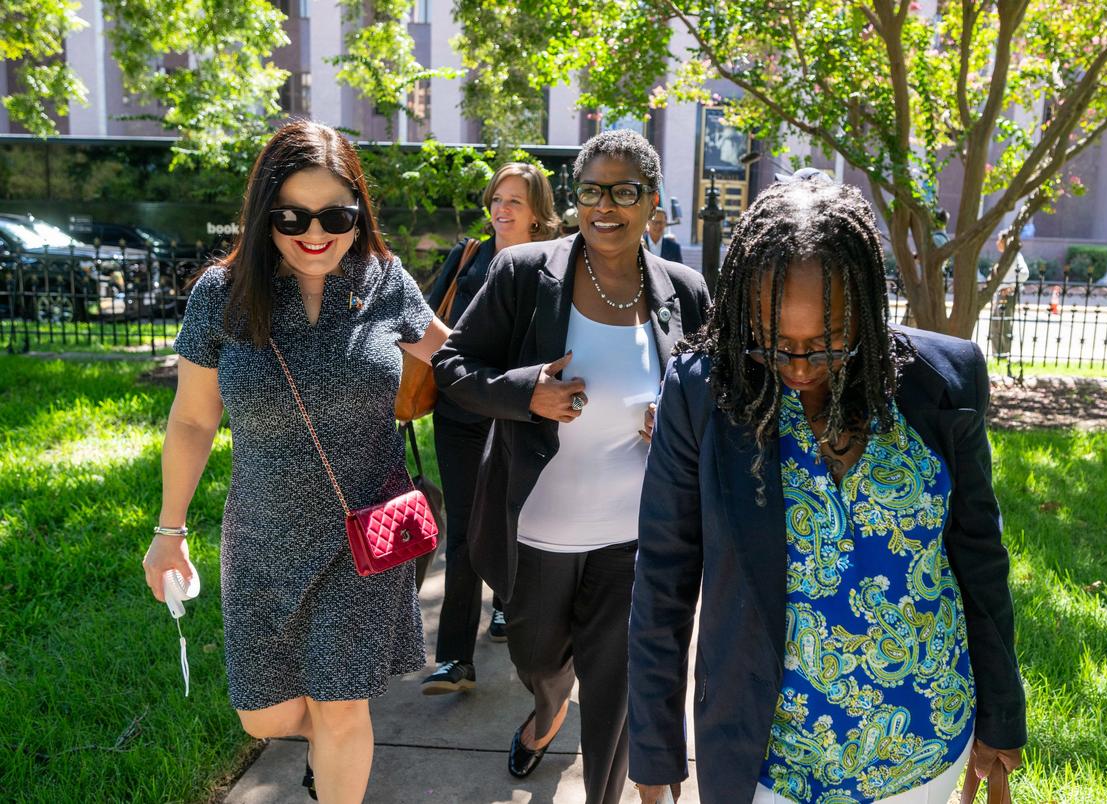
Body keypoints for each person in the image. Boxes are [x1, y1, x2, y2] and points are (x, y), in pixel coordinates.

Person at [629, 172, 1026, 803]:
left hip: (925, 750)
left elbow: (979, 557)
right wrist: (654, 755)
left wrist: (1002, 717)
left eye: (827, 343)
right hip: (773, 765)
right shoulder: (705, 394)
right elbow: (663, 579)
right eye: (772, 342)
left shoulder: (942, 384)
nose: (798, 368)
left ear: (867, 307)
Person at [141, 119, 449, 804]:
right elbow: (193, 418)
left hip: (361, 536)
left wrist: (532, 382)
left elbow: (453, 358)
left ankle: (338, 765)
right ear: (263, 215)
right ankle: (327, 750)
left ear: (359, 213)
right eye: (292, 216)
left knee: (343, 706)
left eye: (336, 215)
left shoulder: (386, 281)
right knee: (267, 714)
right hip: (262, 539)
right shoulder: (221, 297)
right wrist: (170, 529)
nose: (316, 233)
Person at [433, 129, 710, 804]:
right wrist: (527, 392)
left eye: (624, 191)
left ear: (651, 203)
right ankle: (549, 707)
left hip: (634, 536)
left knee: (614, 687)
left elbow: (715, 393)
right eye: (592, 190)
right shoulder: (526, 274)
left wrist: (678, 420)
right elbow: (454, 367)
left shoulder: (686, 290)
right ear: (576, 199)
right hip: (536, 532)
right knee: (538, 660)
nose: (605, 206)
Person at [420, 163, 561, 695]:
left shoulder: (554, 264)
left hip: (521, 416)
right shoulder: (469, 256)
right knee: (462, 531)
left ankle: (506, 607)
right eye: (497, 199)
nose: (501, 210)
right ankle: (455, 658)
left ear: (537, 213)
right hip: (459, 414)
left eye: (515, 202)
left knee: (515, 521)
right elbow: (429, 317)